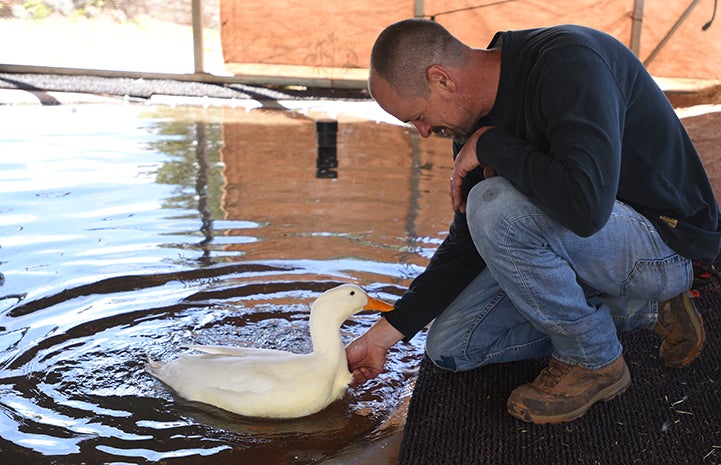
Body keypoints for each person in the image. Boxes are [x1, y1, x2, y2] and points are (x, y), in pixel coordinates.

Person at [345, 18, 721, 424]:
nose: (422, 132)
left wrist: (492, 145)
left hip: (668, 242)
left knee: (495, 205)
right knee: (452, 347)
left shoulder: (570, 63)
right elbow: (467, 244)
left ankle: (593, 360)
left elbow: (586, 207)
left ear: (442, 80)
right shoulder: (473, 116)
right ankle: (649, 309)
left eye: (417, 116)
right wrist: (386, 333)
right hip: (594, 248)